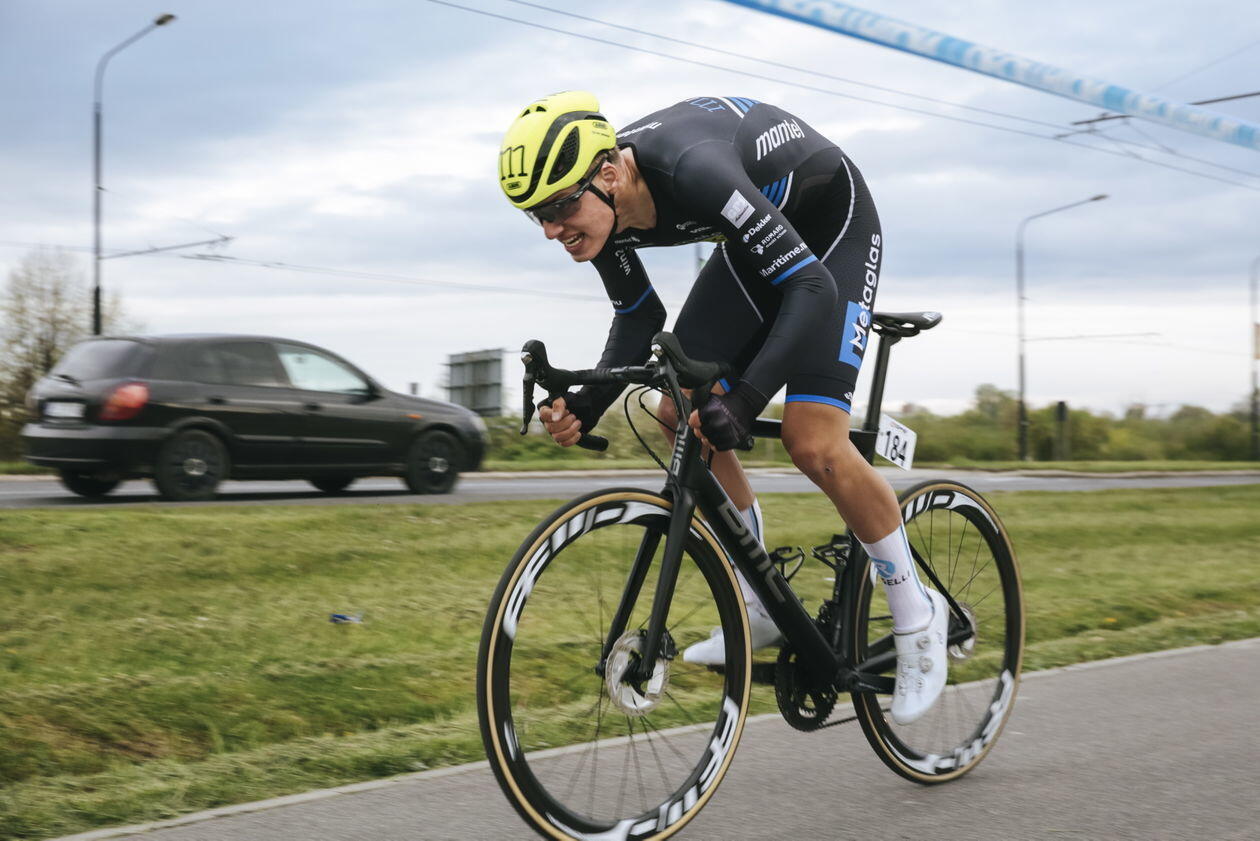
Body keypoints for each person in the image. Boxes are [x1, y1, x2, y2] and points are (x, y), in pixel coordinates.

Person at [498, 91, 947, 724]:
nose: (551, 229)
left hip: (832, 227)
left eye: (559, 207)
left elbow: (810, 285)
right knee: (676, 410)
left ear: (610, 173)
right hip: (759, 235)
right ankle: (759, 604)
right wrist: (586, 403)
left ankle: (918, 618)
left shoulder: (691, 170)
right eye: (536, 216)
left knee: (813, 441)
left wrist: (744, 400)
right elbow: (639, 316)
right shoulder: (601, 206)